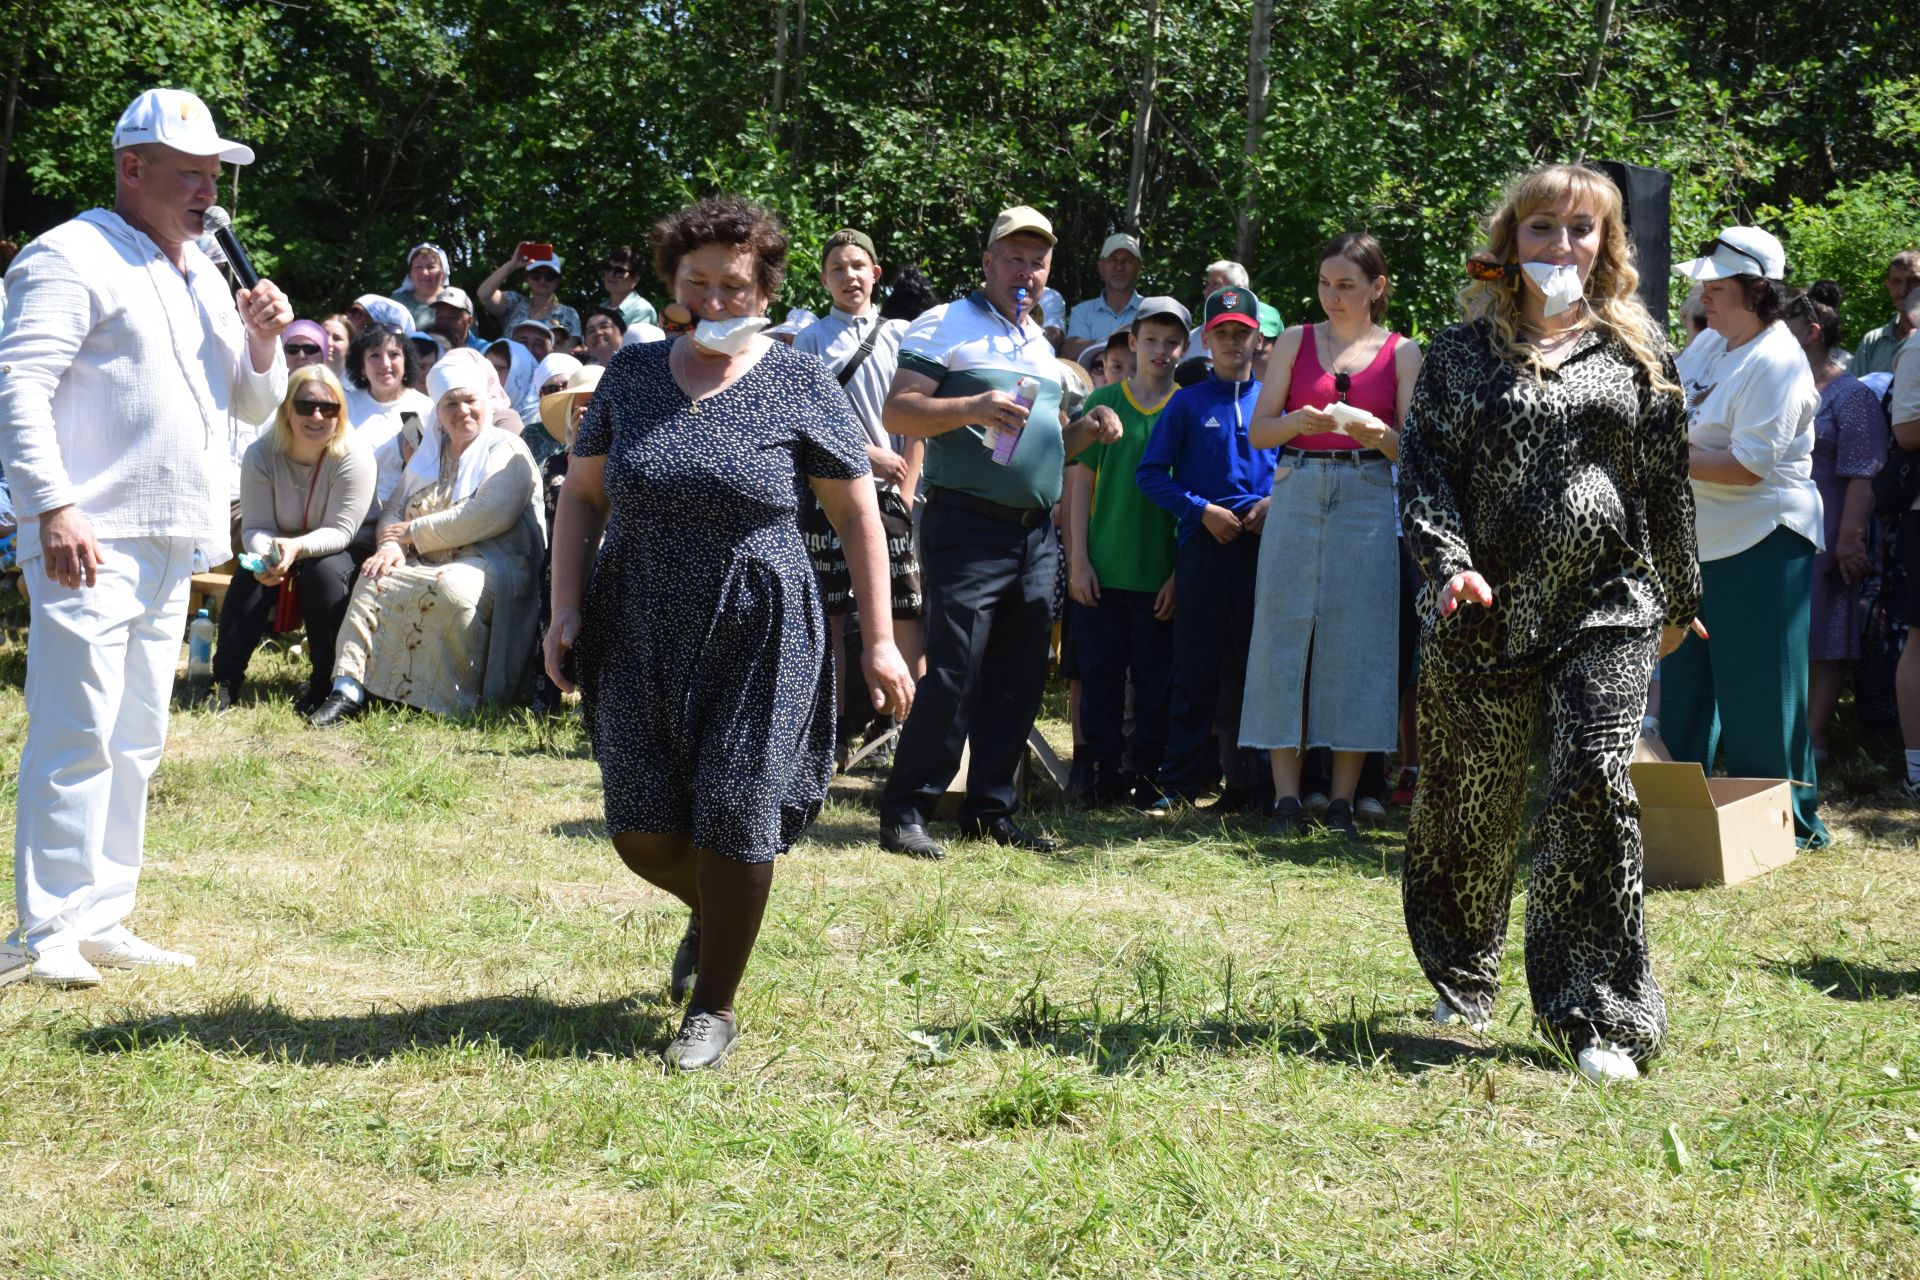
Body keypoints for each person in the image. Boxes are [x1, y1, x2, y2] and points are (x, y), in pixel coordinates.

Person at [543, 194, 913, 1071]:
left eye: (735, 286)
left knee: (737, 813)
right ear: (672, 283)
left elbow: (859, 513)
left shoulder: (796, 380)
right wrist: (564, 608)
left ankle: (713, 1006)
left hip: (762, 618)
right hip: (633, 615)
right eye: (697, 282)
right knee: (641, 826)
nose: (716, 300)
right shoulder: (630, 377)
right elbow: (583, 498)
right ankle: (715, 913)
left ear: (765, 290)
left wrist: (881, 638)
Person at [1397, 162, 1701, 1084]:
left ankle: (1597, 1011)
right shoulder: (1457, 355)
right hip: (1482, 609)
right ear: (1510, 244)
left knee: (1590, 780)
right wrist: (1449, 567)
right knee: (1468, 799)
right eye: (1542, 229)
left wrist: (1680, 600)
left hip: (1606, 605)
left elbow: (1663, 487)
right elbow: (1424, 476)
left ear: (1606, 247)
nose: (1561, 246)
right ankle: (1461, 969)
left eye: (1581, 231)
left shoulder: (1640, 353)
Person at [0, 88, 290, 987]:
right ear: (133, 169)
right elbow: (17, 388)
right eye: (192, 176)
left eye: (216, 177)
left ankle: (104, 915)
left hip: (175, 536)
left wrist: (264, 345)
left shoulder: (207, 273)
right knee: (74, 728)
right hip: (92, 534)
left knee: (135, 737)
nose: (211, 195)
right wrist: (49, 505)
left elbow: (251, 405)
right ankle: (41, 933)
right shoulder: (69, 253)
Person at [876, 206, 1123, 861]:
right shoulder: (945, 323)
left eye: (1037, 261)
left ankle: (991, 809)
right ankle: (906, 809)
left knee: (1018, 674)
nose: (1026, 270)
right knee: (954, 670)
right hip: (967, 523)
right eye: (1014, 257)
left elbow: (1041, 447)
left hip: (1036, 533)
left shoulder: (1039, 344)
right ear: (986, 262)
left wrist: (1087, 428)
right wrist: (973, 405)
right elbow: (898, 408)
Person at [1244, 232, 1422, 837]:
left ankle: (1344, 800)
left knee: (1361, 641)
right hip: (1296, 488)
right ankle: (1287, 799)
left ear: (1377, 288)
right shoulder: (1294, 340)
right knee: (1281, 634)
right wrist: (1297, 419)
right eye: (1325, 283)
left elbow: (1416, 454)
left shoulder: (1403, 353)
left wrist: (1378, 435)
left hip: (1370, 496)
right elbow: (1259, 434)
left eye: (1346, 285)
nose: (1332, 296)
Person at [1663, 226, 1827, 848]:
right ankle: (1678, 816)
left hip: (1764, 540)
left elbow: (1745, 466)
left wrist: (1660, 454)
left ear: (1758, 291)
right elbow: (1662, 406)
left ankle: (1788, 827)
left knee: (1761, 694)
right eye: (1703, 284)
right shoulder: (1712, 346)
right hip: (1698, 541)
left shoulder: (1778, 360)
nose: (1704, 295)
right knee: (1685, 685)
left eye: (1718, 286)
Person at [309, 355, 545, 726]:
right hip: (423, 555)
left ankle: (444, 702)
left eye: (470, 400)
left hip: (490, 558)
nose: (462, 411)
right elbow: (395, 507)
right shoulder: (430, 451)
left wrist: (412, 534)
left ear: (486, 402)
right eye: (450, 403)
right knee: (374, 575)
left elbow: (489, 512)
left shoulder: (506, 448)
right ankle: (348, 690)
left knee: (451, 588)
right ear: (438, 410)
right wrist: (390, 546)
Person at [1135, 285, 1275, 809]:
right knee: (1195, 666)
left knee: (1253, 667)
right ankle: (1180, 784)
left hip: (1262, 547)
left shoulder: (1275, 403)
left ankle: (1252, 786)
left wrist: (1272, 505)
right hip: (1204, 545)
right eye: (1223, 334)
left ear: (1257, 339)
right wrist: (1200, 511)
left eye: (1242, 333)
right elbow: (1150, 475)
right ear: (1206, 342)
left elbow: (1294, 470)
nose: (1233, 342)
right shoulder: (1186, 404)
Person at [792, 228, 927, 737]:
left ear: (875, 273)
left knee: (905, 613)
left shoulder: (902, 334)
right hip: (829, 496)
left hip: (896, 497)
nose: (849, 275)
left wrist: (907, 493)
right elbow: (805, 422)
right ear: (824, 280)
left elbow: (919, 419)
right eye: (837, 268)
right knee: (828, 614)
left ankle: (903, 732)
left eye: (857, 265)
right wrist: (867, 453)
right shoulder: (810, 340)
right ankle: (827, 732)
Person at [1066, 297, 1189, 808]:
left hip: (1160, 574)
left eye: (1172, 341)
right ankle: (1099, 775)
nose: (1161, 351)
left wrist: (1179, 575)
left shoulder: (1187, 406)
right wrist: (1078, 560)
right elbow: (1078, 486)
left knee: (1156, 682)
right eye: (1151, 340)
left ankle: (1147, 776)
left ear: (1184, 347)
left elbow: (1196, 499)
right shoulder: (1105, 404)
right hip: (1102, 570)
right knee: (1099, 677)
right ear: (1132, 343)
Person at [210, 365, 377, 714]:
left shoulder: (355, 455)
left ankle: (324, 683)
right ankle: (224, 683)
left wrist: (295, 548)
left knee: (325, 572)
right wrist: (268, 555)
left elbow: (341, 530)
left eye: (328, 408)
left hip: (345, 545)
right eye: (305, 406)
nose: (317, 416)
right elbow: (255, 526)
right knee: (250, 574)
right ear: (287, 409)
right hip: (281, 541)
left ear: (340, 414)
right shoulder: (261, 454)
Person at [1783, 283, 1886, 763]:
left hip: (1827, 534)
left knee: (1823, 641)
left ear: (1811, 332)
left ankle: (1815, 743)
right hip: (1777, 531)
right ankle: (1782, 738)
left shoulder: (1851, 396)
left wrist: (1849, 541)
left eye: (1785, 323)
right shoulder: (1780, 384)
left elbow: (1863, 478)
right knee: (1784, 638)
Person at [529, 363, 602, 714]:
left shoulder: (631, 462)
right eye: (581, 409)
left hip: (614, 552)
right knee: (553, 570)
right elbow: (560, 513)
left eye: (597, 406)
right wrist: (579, 464)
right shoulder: (555, 465)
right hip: (570, 552)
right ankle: (547, 689)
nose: (588, 415)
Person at [343, 324, 433, 505]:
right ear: (361, 366)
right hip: (346, 502)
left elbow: (425, 471)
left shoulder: (420, 408)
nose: (385, 364)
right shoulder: (345, 404)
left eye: (394, 355)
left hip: (397, 509)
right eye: (375, 355)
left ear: (406, 363)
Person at [1063, 233, 1144, 361]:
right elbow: (1071, 350)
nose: (1119, 267)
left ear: (1139, 268)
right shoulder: (1082, 311)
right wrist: (1131, 344)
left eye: (1127, 261)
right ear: (1101, 267)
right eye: (1112, 260)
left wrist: (1092, 346)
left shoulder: (1151, 310)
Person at [478, 245, 581, 343]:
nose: (542, 281)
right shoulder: (514, 303)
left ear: (558, 280)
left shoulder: (568, 315)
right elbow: (484, 294)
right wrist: (511, 265)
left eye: (549, 276)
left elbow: (567, 352)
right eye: (536, 274)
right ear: (527, 278)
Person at [1852, 250, 1918, 376]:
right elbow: (1856, 393)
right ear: (1888, 285)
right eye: (1897, 282)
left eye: (1914, 281)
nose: (1903, 291)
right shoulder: (1873, 340)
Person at [391, 242, 451, 328]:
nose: (424, 273)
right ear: (410, 274)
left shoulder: (456, 302)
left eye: (431, 267)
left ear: (443, 273)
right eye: (418, 267)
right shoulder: (397, 302)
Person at [599, 244, 660, 328]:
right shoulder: (600, 308)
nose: (611, 274)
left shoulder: (642, 310)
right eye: (608, 268)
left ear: (635, 280)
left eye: (620, 271)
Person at [429, 285, 484, 351]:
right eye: (440, 317)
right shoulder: (426, 348)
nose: (444, 323)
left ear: (469, 321)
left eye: (452, 318)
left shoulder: (485, 351)